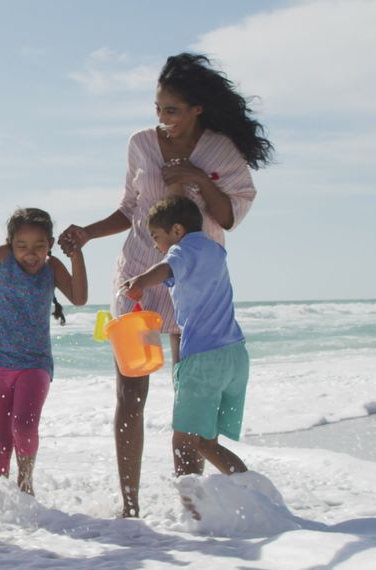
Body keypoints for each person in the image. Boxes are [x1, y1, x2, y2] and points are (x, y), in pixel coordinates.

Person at [59, 52, 272, 517]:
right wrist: (87, 233)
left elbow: (230, 216)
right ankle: (130, 508)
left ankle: (192, 509)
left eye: (171, 110)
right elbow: (130, 208)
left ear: (197, 108)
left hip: (193, 288)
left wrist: (197, 178)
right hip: (138, 276)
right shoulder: (140, 143)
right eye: (158, 109)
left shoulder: (220, 151)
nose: (162, 119)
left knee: (188, 398)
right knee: (130, 392)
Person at [121, 195, 250, 515]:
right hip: (235, 355)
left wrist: (139, 282)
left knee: (185, 443)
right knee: (206, 442)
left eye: (157, 237)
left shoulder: (181, 251)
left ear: (177, 230)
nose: (156, 246)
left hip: (202, 360)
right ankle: (252, 494)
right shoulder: (214, 249)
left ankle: (196, 516)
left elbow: (168, 265)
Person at [0, 206, 88, 495]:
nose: (31, 253)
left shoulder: (52, 268)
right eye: (22, 246)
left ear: (50, 245)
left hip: (35, 364)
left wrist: (76, 254)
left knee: (24, 427)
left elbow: (78, 297)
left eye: (39, 246)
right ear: (10, 244)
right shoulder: (1, 259)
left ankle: (26, 484)